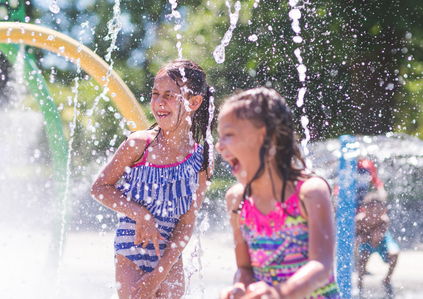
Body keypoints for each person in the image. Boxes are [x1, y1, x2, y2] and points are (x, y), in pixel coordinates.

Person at [91, 59, 213, 299]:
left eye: (169, 95)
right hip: (131, 249)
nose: (159, 102)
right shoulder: (140, 144)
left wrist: (161, 271)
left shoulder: (200, 159)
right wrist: (140, 214)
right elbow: (100, 188)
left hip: (169, 256)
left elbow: (187, 222)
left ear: (194, 102)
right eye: (155, 93)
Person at [216, 87, 341, 299]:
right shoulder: (237, 200)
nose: (219, 146)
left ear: (265, 136)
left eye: (228, 135)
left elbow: (321, 266)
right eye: (219, 137)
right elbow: (245, 268)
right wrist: (239, 288)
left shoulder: (310, 192)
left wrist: (279, 294)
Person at [355, 192, 399, 299]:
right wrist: (361, 239)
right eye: (371, 211)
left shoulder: (384, 221)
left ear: (384, 211)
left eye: (378, 212)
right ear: (364, 210)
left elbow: (376, 241)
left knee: (394, 253)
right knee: (362, 258)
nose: (374, 215)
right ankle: (359, 285)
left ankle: (387, 279)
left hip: (382, 241)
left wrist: (373, 237)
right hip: (365, 242)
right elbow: (355, 239)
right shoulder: (359, 221)